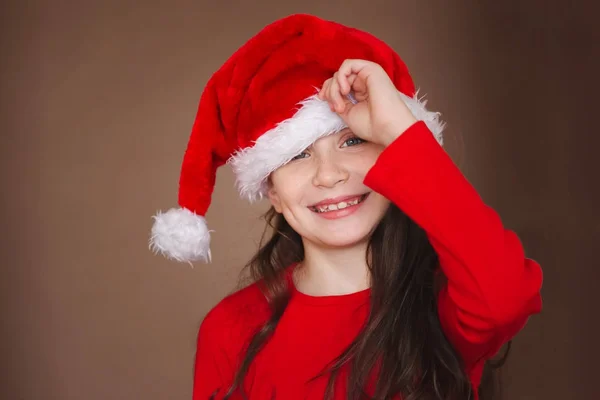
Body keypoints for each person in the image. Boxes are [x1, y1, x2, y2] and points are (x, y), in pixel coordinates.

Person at [149, 14, 543, 400]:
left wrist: (401, 130)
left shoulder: (445, 302)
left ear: (391, 153)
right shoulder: (230, 330)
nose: (329, 175)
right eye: (297, 155)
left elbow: (506, 298)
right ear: (272, 191)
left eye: (352, 141)